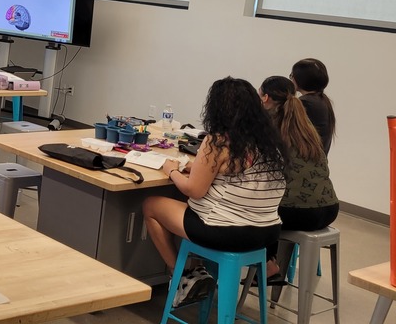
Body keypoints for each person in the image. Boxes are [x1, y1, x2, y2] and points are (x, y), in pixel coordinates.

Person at [142, 77, 287, 308]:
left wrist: (171, 171)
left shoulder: (218, 142)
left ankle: (182, 278)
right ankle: (194, 277)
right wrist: (195, 168)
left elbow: (194, 190)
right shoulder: (271, 142)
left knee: (151, 205)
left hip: (227, 232)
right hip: (267, 234)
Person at [259, 75, 339, 280]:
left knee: (256, 208)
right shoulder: (306, 128)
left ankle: (268, 264)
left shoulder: (270, 129)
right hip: (329, 208)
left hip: (300, 213)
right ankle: (269, 261)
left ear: (265, 98)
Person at [291, 58, 336, 154]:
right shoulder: (322, 100)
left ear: (299, 79)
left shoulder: (304, 103)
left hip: (305, 164)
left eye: (292, 76)